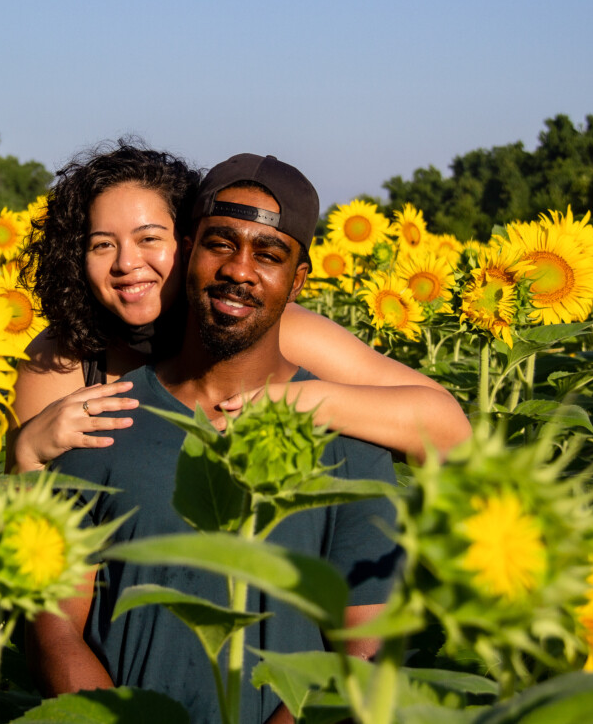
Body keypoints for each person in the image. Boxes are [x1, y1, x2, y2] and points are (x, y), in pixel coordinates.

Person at [30, 154, 401, 724]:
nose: (240, 270)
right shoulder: (99, 418)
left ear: (298, 280)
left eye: (269, 254)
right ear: (189, 251)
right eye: (220, 243)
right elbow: (53, 627)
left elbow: (366, 655)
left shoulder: (350, 443)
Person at [9, 141, 469, 473]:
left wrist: (299, 399)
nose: (128, 263)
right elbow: (23, 555)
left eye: (149, 239)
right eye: (102, 244)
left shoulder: (273, 331)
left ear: (188, 246)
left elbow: (450, 432)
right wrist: (25, 453)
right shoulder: (63, 359)